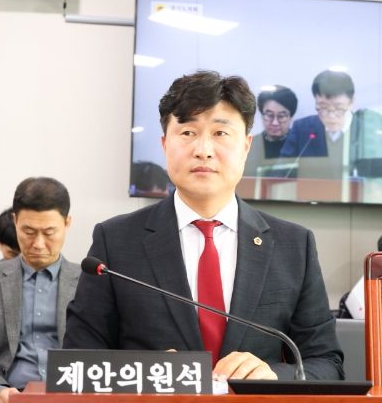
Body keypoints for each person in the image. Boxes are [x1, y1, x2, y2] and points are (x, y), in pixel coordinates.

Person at [64, 70, 344, 382]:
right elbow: (77, 360)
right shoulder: (115, 241)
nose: (203, 150)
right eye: (187, 132)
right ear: (164, 144)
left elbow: (327, 364)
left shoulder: (293, 245)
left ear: (246, 146)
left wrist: (275, 375)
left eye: (220, 133)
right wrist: (144, 371)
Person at [0, 177, 80, 403]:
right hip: (11, 394)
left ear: (67, 223)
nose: (38, 244)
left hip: (71, 395)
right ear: (15, 221)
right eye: (29, 231)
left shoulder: (88, 282)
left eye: (49, 232)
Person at [279, 70, 382, 180]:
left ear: (352, 103)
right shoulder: (301, 129)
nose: (331, 116)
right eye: (322, 108)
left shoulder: (369, 131)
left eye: (338, 108)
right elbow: (281, 172)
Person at [244, 85, 298, 176]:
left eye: (281, 116)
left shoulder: (299, 144)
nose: (275, 123)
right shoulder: (250, 145)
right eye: (269, 115)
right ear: (262, 114)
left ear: (291, 117)